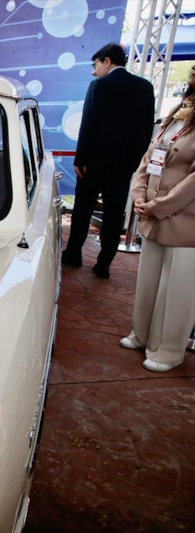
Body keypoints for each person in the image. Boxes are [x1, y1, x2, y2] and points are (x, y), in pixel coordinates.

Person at [119, 64, 195, 372]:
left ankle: (169, 351)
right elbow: (148, 159)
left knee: (177, 291)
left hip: (184, 223)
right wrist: (140, 196)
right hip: (153, 216)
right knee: (149, 283)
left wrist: (159, 206)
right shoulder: (178, 112)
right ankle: (142, 334)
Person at [62, 42, 155, 279]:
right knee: (114, 216)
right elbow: (147, 129)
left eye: (95, 65)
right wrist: (135, 163)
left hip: (93, 164)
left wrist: (80, 159)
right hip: (124, 167)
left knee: (82, 211)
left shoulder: (99, 86)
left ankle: (73, 254)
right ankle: (104, 264)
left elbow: (88, 125)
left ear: (107, 61)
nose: (94, 72)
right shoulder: (145, 87)